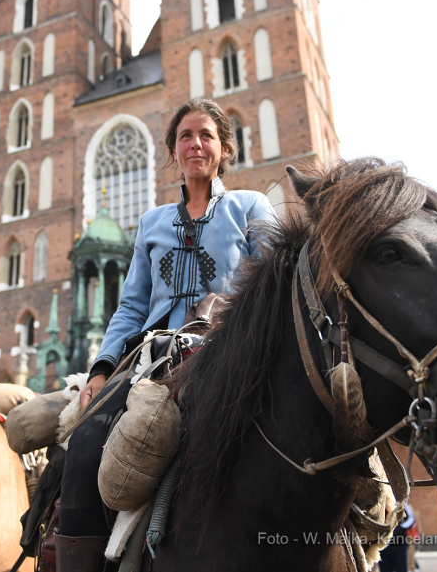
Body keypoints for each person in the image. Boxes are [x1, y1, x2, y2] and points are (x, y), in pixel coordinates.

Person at [57, 98, 277, 571]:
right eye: (185, 136)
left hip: (228, 354)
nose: (195, 144)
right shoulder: (152, 222)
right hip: (152, 363)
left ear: (223, 149)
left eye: (206, 135)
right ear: (173, 150)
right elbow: (133, 305)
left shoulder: (250, 206)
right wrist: (100, 369)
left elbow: (275, 283)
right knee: (83, 446)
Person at [379, 504, 415, 572]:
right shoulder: (380, 500)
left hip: (399, 545)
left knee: (401, 569)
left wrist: (402, 527)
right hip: (383, 544)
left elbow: (411, 518)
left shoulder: (401, 500)